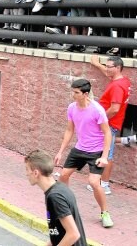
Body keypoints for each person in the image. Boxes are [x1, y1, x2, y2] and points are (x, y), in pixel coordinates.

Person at [54, 79, 114, 228]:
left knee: (94, 182)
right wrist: (60, 152)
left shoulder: (97, 110)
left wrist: (104, 157)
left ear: (85, 94)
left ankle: (105, 213)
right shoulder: (71, 108)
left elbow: (107, 133)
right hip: (80, 149)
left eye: (76, 92)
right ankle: (65, 207)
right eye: (72, 91)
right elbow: (69, 130)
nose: (72, 95)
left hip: (96, 151)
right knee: (63, 176)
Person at [85, 56, 131, 195]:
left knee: (107, 155)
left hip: (109, 124)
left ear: (117, 68)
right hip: (112, 124)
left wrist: (101, 121)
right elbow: (106, 72)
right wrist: (97, 64)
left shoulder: (117, 86)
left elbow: (115, 109)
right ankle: (127, 140)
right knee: (106, 149)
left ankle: (104, 185)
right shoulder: (122, 80)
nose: (107, 68)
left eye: (109, 66)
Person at [25, 150, 87, 246]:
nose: (26, 174)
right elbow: (58, 233)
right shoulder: (59, 188)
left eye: (27, 169)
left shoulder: (55, 197)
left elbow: (73, 234)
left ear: (36, 173)